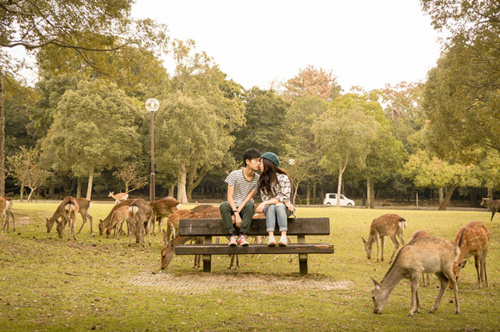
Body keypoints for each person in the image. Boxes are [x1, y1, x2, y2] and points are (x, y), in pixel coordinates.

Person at [219, 148, 261, 246]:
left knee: (250, 204)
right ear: (247, 161)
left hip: (245, 207)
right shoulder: (234, 175)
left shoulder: (258, 179)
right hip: (232, 205)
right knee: (224, 205)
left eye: (259, 161)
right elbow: (229, 197)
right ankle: (232, 237)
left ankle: (242, 236)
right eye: (256, 160)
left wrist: (237, 214)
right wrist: (236, 213)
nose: (258, 163)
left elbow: (247, 198)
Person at [256, 152, 296, 246]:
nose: (259, 165)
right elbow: (265, 197)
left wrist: (265, 203)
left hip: (284, 209)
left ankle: (283, 236)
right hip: (270, 209)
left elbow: (284, 197)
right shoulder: (262, 180)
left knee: (279, 205)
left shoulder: (283, 177)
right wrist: (272, 201)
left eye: (261, 163)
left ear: (267, 164)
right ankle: (271, 236)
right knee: (272, 206)